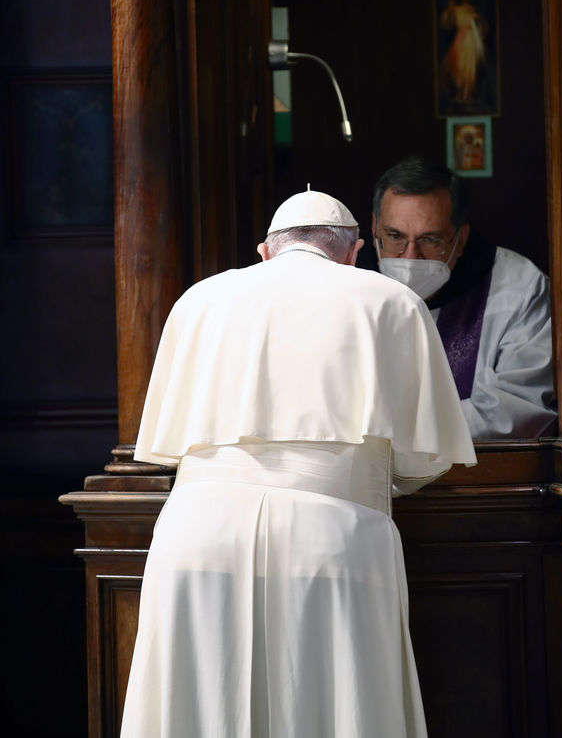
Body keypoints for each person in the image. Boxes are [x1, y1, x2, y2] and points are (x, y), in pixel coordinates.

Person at [120, 188, 476, 738]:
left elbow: (165, 445)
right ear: (355, 252)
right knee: (333, 704)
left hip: (196, 535)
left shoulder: (197, 300)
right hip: (331, 536)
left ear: (265, 251)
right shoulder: (391, 301)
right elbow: (424, 457)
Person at [372, 156, 557, 440]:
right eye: (395, 236)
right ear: (374, 228)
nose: (410, 257)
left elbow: (517, 407)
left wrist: (400, 435)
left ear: (460, 238)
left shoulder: (519, 287)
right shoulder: (345, 285)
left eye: (430, 239)